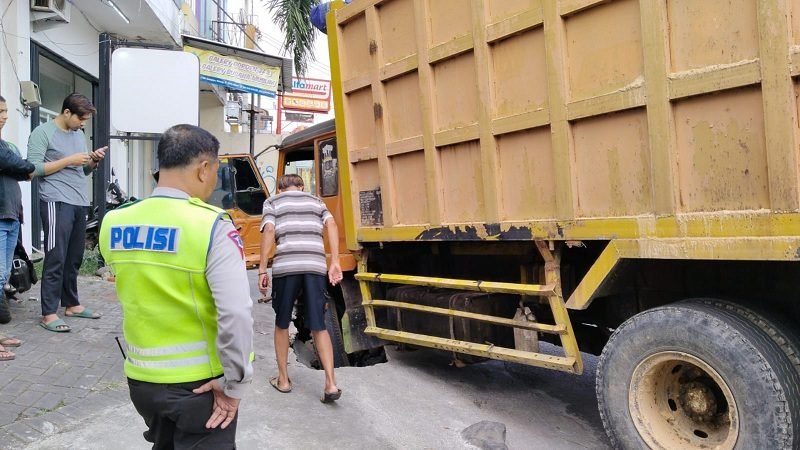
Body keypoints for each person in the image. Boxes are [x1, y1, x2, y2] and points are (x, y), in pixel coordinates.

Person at [99, 124, 254, 449]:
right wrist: (234, 384)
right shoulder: (211, 225)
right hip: (199, 388)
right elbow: (235, 313)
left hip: (142, 383)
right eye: (215, 171)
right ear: (203, 169)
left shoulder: (115, 222)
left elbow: (123, 280)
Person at [258, 174, 343, 403]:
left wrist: (263, 269)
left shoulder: (273, 202)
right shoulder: (315, 201)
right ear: (302, 187)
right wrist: (334, 261)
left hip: (286, 267)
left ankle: (284, 380)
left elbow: (268, 231)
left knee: (282, 322)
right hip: (315, 267)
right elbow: (331, 224)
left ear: (280, 188)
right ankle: (331, 384)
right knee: (319, 324)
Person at [27, 93, 107, 332]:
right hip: (55, 201)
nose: (83, 124)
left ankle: (71, 304)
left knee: (73, 258)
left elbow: (81, 172)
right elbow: (32, 169)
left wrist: (92, 162)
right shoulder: (42, 133)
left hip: (78, 201)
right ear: (66, 113)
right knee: (56, 257)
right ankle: (49, 313)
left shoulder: (78, 134)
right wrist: (68, 160)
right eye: (81, 119)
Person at [0, 95, 32, 359]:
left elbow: (20, 169)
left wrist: (21, 168)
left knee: (1, 279)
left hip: (9, 216)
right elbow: (19, 165)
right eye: (0, 111)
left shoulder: (2, 144)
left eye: (6, 111)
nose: (5, 116)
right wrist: (24, 167)